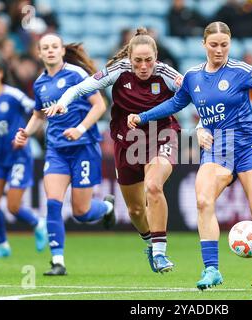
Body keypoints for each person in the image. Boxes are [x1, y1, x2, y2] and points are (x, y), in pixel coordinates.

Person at [127, 21, 252, 291]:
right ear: (204, 45)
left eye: (224, 45)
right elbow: (175, 104)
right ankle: (211, 269)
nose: (219, 50)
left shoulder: (241, 71)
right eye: (214, 45)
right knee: (202, 201)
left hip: (247, 146)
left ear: (230, 44)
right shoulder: (193, 77)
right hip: (217, 147)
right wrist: (143, 117)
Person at [44, 28, 183, 274]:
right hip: (127, 144)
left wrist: (205, 125)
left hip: (162, 136)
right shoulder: (118, 71)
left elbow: (198, 94)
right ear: (129, 58)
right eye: (138, 60)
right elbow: (80, 89)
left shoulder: (167, 73)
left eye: (148, 60)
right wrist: (63, 103)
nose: (143, 66)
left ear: (156, 56)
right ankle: (150, 244)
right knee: (136, 209)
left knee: (153, 186)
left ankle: (161, 253)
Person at [14, 34, 115, 276]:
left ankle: (106, 208)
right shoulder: (39, 83)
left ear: (61, 51)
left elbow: (99, 105)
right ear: (39, 53)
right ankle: (57, 261)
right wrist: (25, 133)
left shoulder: (76, 74)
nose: (50, 51)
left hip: (84, 148)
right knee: (52, 203)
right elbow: (39, 115)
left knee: (81, 212)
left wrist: (80, 129)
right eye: (45, 48)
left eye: (54, 47)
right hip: (57, 150)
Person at [0, 57, 48, 259]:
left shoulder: (13, 96)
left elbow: (37, 112)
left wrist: (26, 135)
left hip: (18, 156)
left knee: (13, 206)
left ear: (0, 74)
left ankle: (38, 223)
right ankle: (2, 244)